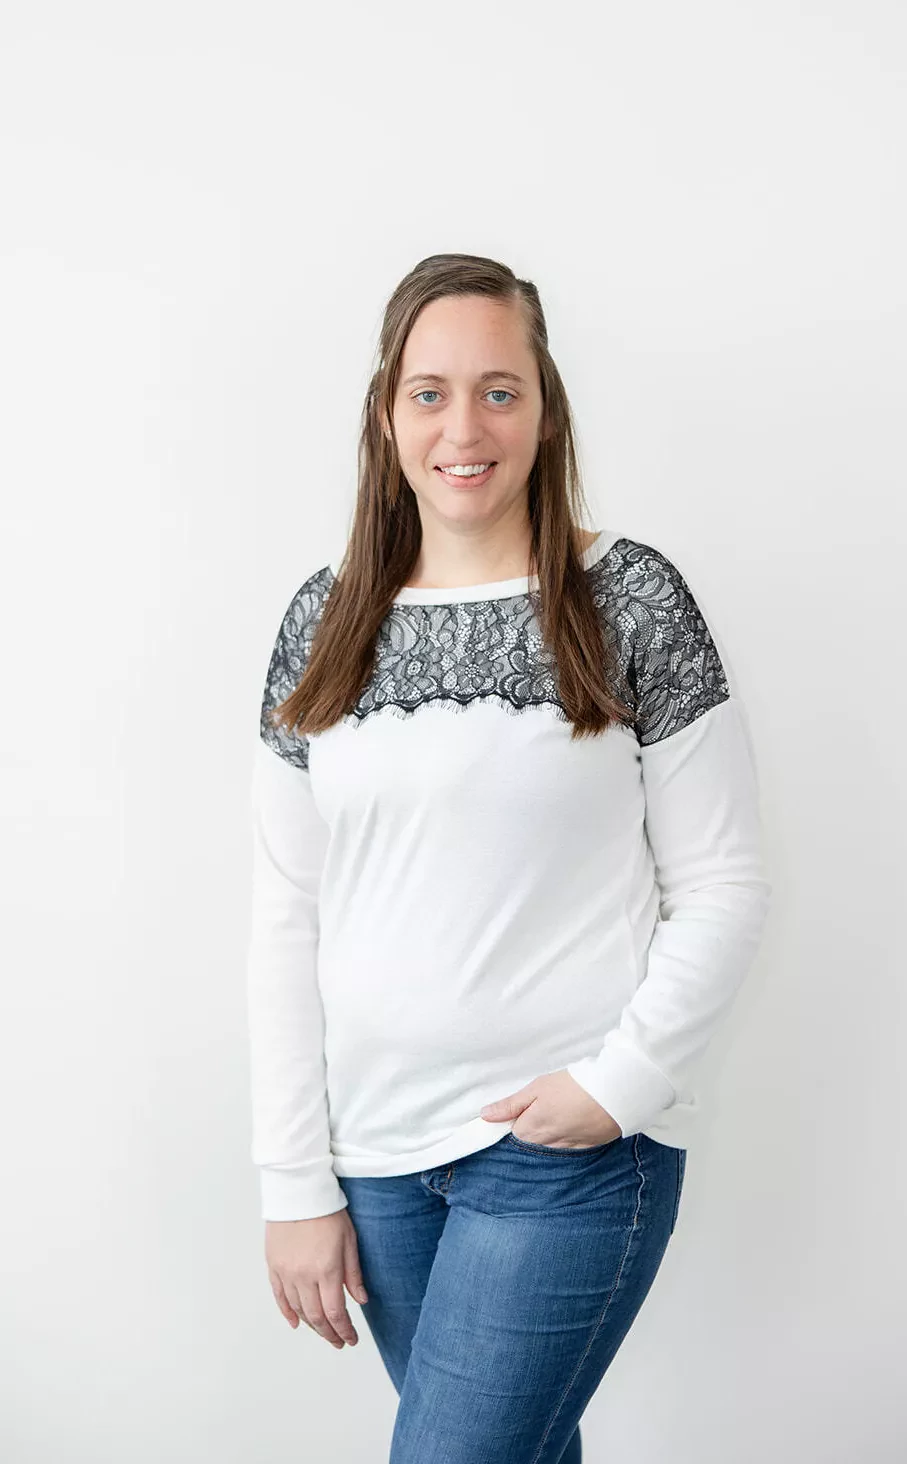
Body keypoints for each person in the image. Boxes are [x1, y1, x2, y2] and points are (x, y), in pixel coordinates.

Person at [245, 252, 773, 1463]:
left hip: (566, 1155)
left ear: (544, 409)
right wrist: (294, 1182)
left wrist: (621, 1083)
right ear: (385, 415)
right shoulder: (322, 620)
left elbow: (723, 883)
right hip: (376, 1162)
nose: (463, 427)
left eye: (499, 390)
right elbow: (284, 915)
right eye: (428, 393)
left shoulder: (625, 597)